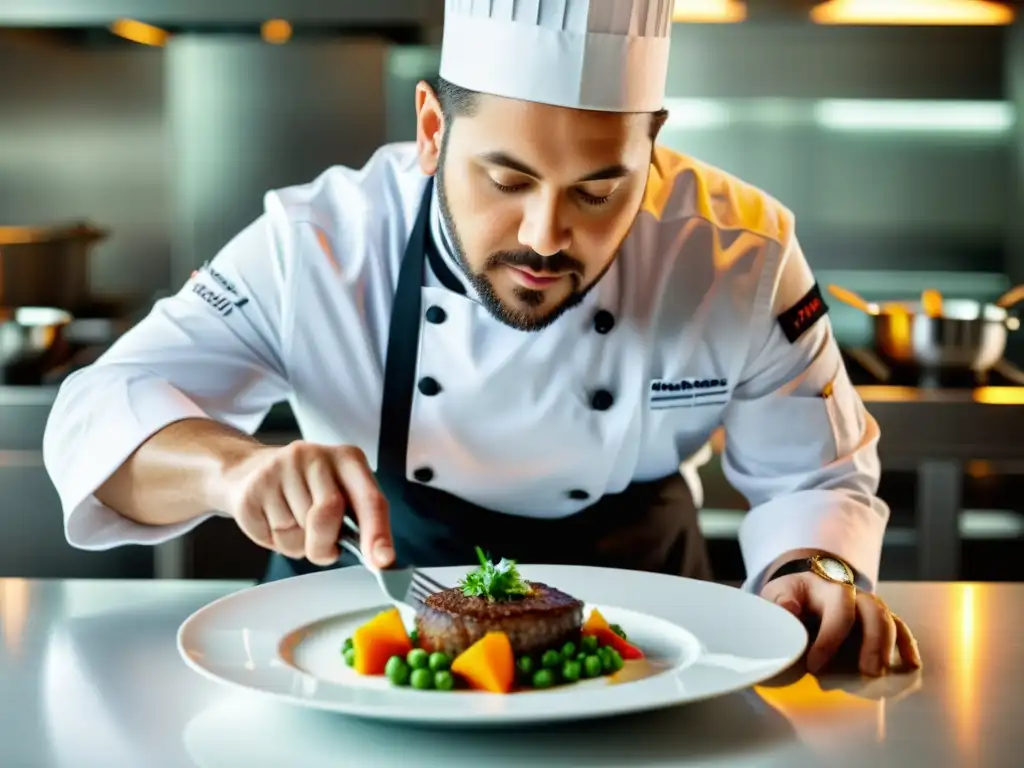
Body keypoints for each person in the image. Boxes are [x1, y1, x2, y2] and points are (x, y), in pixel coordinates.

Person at [42, 0, 920, 677]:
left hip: (650, 660)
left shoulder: (740, 250)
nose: (545, 235)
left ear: (653, 147)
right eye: (507, 178)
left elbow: (815, 475)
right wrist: (232, 470)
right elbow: (96, 411)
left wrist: (817, 571)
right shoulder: (321, 244)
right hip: (359, 652)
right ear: (433, 130)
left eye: (598, 191)